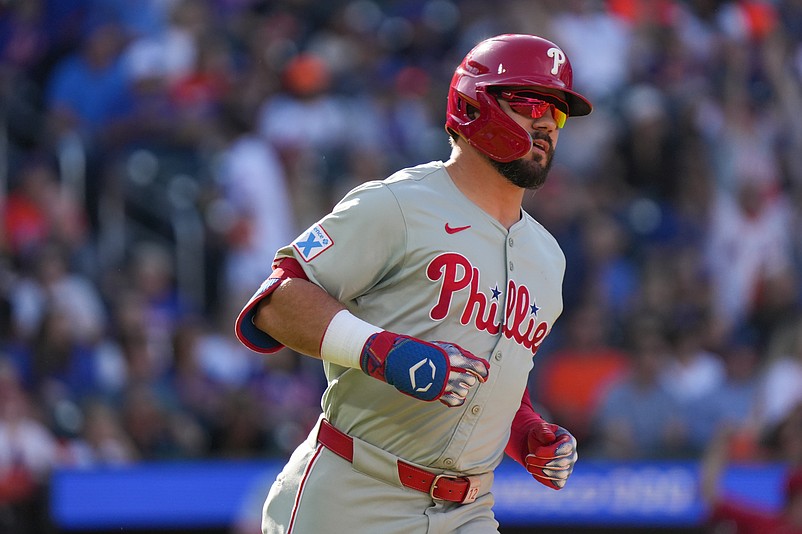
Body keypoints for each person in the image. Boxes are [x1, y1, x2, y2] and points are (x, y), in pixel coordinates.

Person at [235, 34, 592, 533]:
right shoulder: (397, 204)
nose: (544, 123)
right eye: (528, 102)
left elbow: (494, 374)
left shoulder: (548, 258)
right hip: (356, 491)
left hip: (469, 509)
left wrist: (527, 431)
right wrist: (382, 351)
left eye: (555, 112)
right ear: (474, 104)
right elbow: (275, 303)